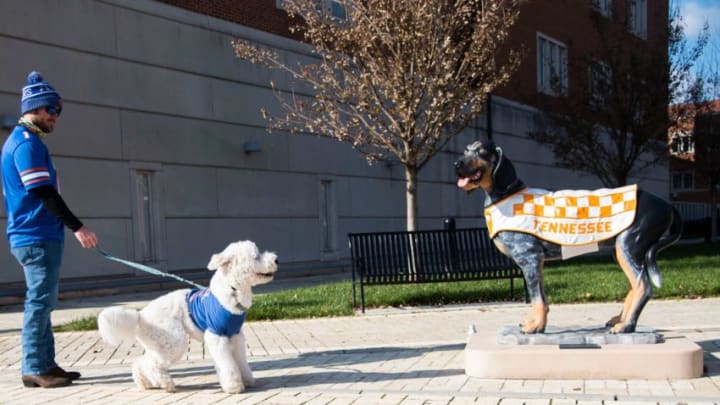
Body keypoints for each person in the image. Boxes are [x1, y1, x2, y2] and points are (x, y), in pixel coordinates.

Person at [1, 71, 99, 388]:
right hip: (35, 235)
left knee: (44, 302)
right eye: (52, 111)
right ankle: (34, 366)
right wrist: (78, 227)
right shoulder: (25, 145)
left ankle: (47, 365)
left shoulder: (26, 142)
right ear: (38, 108)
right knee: (39, 302)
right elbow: (44, 192)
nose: (55, 118)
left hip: (37, 234)